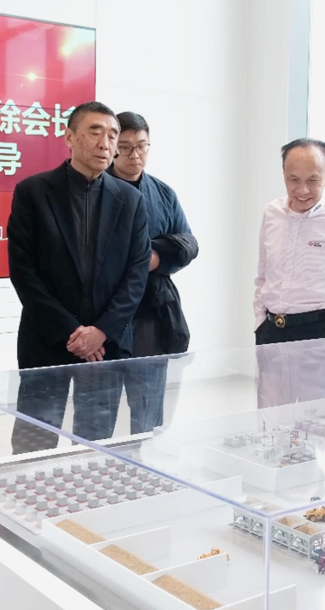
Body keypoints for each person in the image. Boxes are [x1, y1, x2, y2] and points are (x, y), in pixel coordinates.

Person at [7, 101, 150, 454]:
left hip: (105, 346)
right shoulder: (33, 192)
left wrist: (101, 331)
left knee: (95, 444)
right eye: (95, 131)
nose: (105, 143)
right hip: (46, 338)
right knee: (34, 441)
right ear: (69, 137)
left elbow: (136, 275)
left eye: (112, 135)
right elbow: (23, 271)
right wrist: (71, 331)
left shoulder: (130, 201)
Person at [108, 111, 198, 433]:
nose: (134, 155)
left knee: (147, 404)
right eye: (125, 147)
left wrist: (157, 257)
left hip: (150, 311)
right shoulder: (96, 190)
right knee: (101, 402)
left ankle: (142, 456)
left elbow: (188, 244)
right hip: (105, 312)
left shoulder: (163, 193)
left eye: (141, 146)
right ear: (112, 147)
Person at [253, 138, 325, 346]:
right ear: (284, 174)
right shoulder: (271, 213)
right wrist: (260, 321)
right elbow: (263, 276)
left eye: (312, 180)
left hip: (319, 331)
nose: (302, 190)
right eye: (294, 179)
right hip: (270, 331)